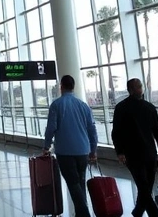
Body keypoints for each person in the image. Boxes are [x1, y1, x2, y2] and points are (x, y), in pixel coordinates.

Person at [41, 75, 97, 217]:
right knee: (80, 182)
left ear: (61, 86)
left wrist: (46, 146)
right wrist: (93, 149)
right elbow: (92, 129)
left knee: (73, 184)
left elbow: (51, 128)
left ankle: (84, 214)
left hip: (65, 152)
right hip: (83, 150)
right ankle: (81, 213)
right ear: (73, 86)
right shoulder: (83, 105)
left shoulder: (56, 105)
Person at [112, 78, 158, 217]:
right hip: (147, 153)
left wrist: (120, 151)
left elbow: (116, 132)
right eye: (138, 87)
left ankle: (137, 212)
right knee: (145, 187)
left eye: (140, 86)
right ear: (130, 90)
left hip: (133, 154)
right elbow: (157, 131)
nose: (140, 89)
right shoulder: (149, 107)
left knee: (144, 187)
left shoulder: (121, 108)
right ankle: (155, 214)